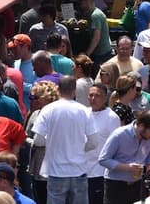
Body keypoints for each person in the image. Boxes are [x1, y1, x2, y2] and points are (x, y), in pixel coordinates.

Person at [32, 75, 97, 204]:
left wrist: (52, 141)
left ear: (58, 89)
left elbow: (38, 140)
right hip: (79, 171)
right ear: (74, 91)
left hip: (56, 172)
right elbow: (93, 142)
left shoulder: (48, 110)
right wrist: (79, 147)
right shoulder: (84, 111)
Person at [99, 110, 150, 204]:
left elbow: (149, 158)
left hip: (138, 185)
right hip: (116, 185)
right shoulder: (119, 135)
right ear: (142, 125)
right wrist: (127, 167)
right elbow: (103, 159)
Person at [86, 83, 121, 204]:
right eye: (91, 95)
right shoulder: (83, 114)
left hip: (100, 172)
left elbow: (116, 146)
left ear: (105, 98)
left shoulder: (112, 117)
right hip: (82, 172)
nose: (93, 99)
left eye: (97, 96)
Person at [81, 0, 113, 67]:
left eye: (81, 0)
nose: (80, 3)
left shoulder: (95, 15)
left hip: (102, 54)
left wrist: (87, 54)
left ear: (87, 1)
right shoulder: (93, 13)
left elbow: (96, 38)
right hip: (100, 52)